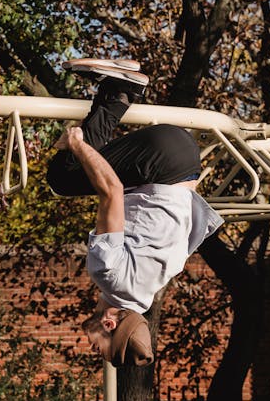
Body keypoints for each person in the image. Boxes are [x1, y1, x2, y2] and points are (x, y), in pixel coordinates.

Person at [47, 56, 223, 366]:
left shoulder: (152, 285)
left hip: (185, 160)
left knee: (87, 165)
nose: (91, 348)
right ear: (109, 324)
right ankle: (119, 90)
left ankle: (120, 90)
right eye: (99, 348)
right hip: (163, 159)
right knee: (64, 175)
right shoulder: (109, 275)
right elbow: (111, 190)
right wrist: (77, 144)